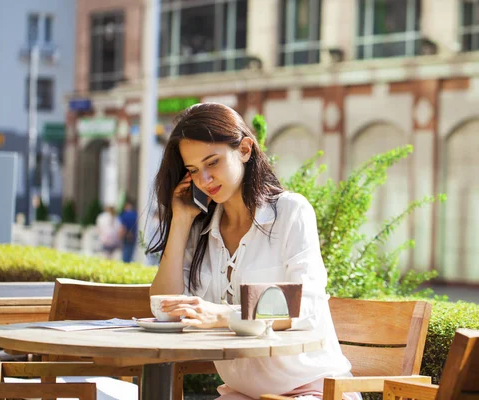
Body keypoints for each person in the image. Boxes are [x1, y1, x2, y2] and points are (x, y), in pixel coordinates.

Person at [147, 103, 358, 400]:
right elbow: (163, 307)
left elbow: (304, 304)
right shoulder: (200, 230)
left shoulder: (290, 212)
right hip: (242, 394)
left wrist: (223, 314)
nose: (204, 180)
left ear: (245, 149)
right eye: (193, 170)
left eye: (213, 163)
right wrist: (181, 222)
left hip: (314, 390)